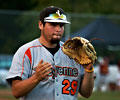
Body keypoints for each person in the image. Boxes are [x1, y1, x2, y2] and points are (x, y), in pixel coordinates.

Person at [6, 6, 94, 100]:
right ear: (40, 25)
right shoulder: (26, 52)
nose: (58, 29)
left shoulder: (74, 54)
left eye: (61, 25)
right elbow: (16, 91)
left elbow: (86, 93)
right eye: (53, 24)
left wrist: (89, 69)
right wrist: (36, 78)